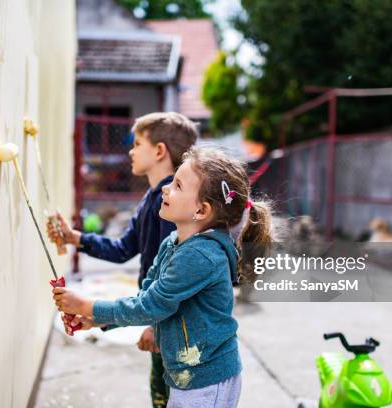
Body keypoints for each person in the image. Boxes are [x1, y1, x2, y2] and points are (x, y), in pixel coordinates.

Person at [52, 147, 274, 407]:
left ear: (201, 211)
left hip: (206, 380)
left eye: (178, 185)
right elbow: (148, 298)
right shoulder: (173, 242)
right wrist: (98, 320)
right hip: (187, 373)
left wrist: (86, 305)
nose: (166, 188)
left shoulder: (200, 256)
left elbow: (151, 306)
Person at [47, 112, 198, 407]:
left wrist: (155, 325)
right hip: (160, 318)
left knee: (169, 396)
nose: (130, 150)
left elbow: (173, 276)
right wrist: (75, 238)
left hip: (171, 326)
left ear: (158, 151)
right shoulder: (152, 198)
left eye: (137, 142)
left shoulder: (169, 205)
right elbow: (123, 248)